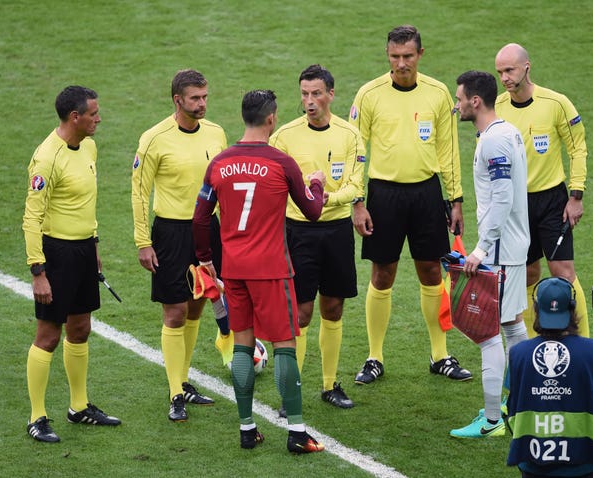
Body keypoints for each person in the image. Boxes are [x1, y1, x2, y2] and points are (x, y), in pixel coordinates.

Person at [193, 89, 326, 454]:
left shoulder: (219, 163)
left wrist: (206, 258)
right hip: (272, 270)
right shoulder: (281, 163)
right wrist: (317, 184)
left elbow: (200, 217)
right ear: (271, 119)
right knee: (285, 346)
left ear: (243, 117)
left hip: (234, 270)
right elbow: (312, 210)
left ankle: (247, 429)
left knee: (242, 344)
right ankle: (297, 433)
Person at [348, 24, 472, 384]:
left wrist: (456, 200)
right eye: (394, 56)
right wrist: (358, 201)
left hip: (426, 194)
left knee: (432, 271)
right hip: (383, 195)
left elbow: (448, 151)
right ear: (388, 55)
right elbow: (355, 151)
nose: (401, 63)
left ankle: (440, 355)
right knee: (382, 272)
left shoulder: (437, 93)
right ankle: (374, 357)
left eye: (408, 56)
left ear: (420, 54)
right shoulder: (369, 94)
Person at [22, 86, 121, 443]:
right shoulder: (47, 158)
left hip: (81, 251)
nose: (99, 118)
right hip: (56, 255)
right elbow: (31, 218)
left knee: (80, 329)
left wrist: (93, 244)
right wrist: (38, 271)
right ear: (74, 117)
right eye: (93, 113)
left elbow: (86, 205)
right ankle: (37, 416)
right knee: (48, 336)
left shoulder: (89, 147)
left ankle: (78, 407)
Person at [131, 69, 229, 422]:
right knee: (174, 312)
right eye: (195, 99)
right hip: (171, 233)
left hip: (208, 230)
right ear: (178, 100)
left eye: (205, 97)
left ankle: (184, 381)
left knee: (198, 305)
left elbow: (224, 186)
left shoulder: (217, 133)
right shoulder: (154, 139)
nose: (202, 104)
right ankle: (175, 393)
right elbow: (139, 192)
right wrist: (144, 241)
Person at [270, 64, 365, 412]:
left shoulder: (349, 134)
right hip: (298, 232)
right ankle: (291, 392)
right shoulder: (284, 136)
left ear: (330, 94)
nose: (309, 101)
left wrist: (329, 199)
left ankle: (329, 385)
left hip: (337, 230)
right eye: (304, 94)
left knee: (334, 307)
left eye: (316, 94)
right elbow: (274, 185)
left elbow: (357, 184)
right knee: (301, 313)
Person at [449, 71, 530, 438]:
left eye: (460, 98)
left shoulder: (494, 141)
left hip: (500, 249)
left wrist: (481, 249)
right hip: (512, 245)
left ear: (475, 101)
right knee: (512, 325)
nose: (457, 104)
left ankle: (493, 421)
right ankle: (525, 405)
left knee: (488, 335)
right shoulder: (506, 131)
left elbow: (503, 198)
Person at [495, 43, 589, 339]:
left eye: (509, 70)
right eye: (500, 72)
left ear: (527, 67)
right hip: (515, 205)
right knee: (526, 274)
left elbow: (577, 148)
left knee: (563, 272)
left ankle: (584, 344)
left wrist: (576, 196)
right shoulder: (496, 107)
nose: (505, 78)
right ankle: (532, 344)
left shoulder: (556, 103)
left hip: (551, 200)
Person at [506, 277, 593, 476]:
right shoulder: (592, 349)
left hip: (533, 465)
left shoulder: (518, 352)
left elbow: (514, 399)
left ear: (536, 309)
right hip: (583, 464)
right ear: (572, 308)